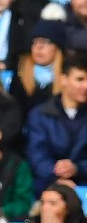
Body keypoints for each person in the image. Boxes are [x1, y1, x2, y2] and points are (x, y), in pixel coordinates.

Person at [26, 52, 87, 195]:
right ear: (63, 79)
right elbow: (36, 154)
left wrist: (77, 168)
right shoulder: (40, 114)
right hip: (49, 187)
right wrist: (56, 176)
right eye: (80, 79)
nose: (86, 86)